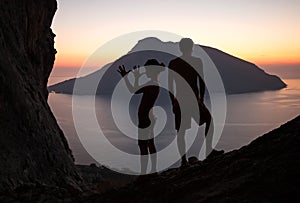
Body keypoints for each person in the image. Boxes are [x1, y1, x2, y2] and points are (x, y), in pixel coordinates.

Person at [168, 38, 213, 167]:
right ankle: (208, 151)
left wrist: (173, 102)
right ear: (191, 47)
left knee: (181, 132)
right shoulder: (197, 61)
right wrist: (201, 99)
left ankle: (183, 161)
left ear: (181, 48)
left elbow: (170, 86)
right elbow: (202, 82)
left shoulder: (174, 63)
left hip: (181, 100)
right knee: (209, 121)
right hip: (193, 99)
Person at [117, 59, 165, 174]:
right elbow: (137, 90)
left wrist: (125, 77)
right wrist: (137, 78)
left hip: (145, 119)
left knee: (143, 145)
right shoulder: (154, 83)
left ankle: (145, 173)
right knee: (150, 144)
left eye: (147, 69)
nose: (146, 71)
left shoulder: (151, 85)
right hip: (150, 118)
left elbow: (133, 90)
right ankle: (153, 170)